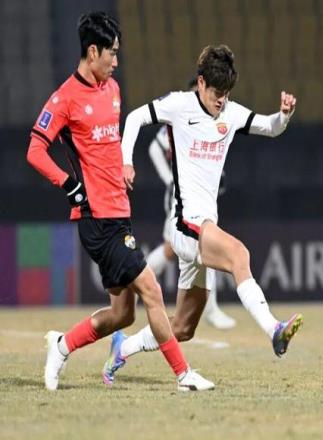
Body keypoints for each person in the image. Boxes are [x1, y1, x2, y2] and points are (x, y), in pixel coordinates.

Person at [26, 11, 213, 392]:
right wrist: (70, 186)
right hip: (96, 218)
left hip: (119, 212)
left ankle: (61, 346)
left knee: (122, 315)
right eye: (111, 52)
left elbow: (108, 143)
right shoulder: (64, 98)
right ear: (92, 51)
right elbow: (35, 150)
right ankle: (183, 375)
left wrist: (124, 164)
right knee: (152, 289)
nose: (116, 61)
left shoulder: (112, 89)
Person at [102, 44, 302, 385]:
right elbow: (135, 117)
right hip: (185, 224)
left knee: (183, 328)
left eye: (226, 93)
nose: (221, 100)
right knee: (239, 254)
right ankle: (274, 330)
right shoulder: (179, 105)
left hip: (204, 226)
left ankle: (123, 347)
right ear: (200, 82)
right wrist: (126, 161)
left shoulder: (231, 113)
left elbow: (270, 127)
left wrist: (283, 115)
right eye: (216, 92)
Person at [146, 77, 236, 330]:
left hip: (197, 195)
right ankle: (137, 282)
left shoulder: (212, 120)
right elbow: (154, 148)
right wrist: (168, 179)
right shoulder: (183, 116)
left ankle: (136, 283)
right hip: (181, 196)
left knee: (181, 248)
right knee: (194, 246)